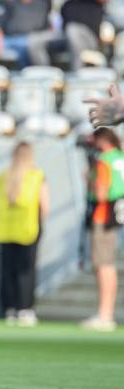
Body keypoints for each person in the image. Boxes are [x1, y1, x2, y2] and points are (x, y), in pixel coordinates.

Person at [0, 142, 49, 327]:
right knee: (26, 271)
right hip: (28, 228)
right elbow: (44, 205)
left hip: (6, 229)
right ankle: (24, 308)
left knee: (8, 270)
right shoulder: (37, 176)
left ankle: (9, 308)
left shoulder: (4, 176)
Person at [81, 128, 123, 332]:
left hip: (103, 214)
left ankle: (105, 314)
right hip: (116, 213)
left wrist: (90, 178)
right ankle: (106, 313)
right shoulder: (119, 157)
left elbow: (100, 193)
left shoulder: (104, 159)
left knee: (103, 265)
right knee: (107, 265)